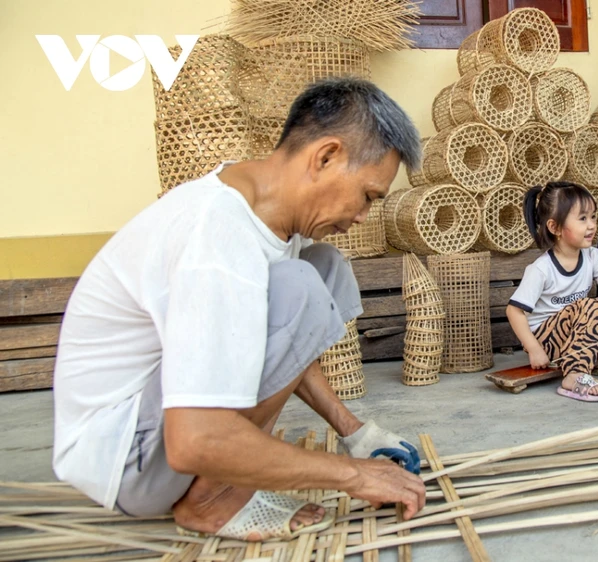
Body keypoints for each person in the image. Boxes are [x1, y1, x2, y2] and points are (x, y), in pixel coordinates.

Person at [53, 79, 427, 542]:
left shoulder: (264, 207)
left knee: (322, 268)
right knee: (303, 285)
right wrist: (355, 475)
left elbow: (286, 342)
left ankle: (223, 481)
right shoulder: (217, 233)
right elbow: (194, 442)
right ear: (325, 157)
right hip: (127, 462)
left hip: (154, 446)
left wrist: (353, 430)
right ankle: (210, 500)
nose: (363, 217)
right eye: (368, 196)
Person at [506, 182, 598, 403]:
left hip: (578, 331)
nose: (592, 225)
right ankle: (574, 374)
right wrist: (534, 349)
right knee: (590, 305)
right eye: (582, 219)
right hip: (547, 340)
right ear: (555, 227)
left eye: (593, 217)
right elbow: (514, 311)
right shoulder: (541, 269)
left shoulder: (592, 256)